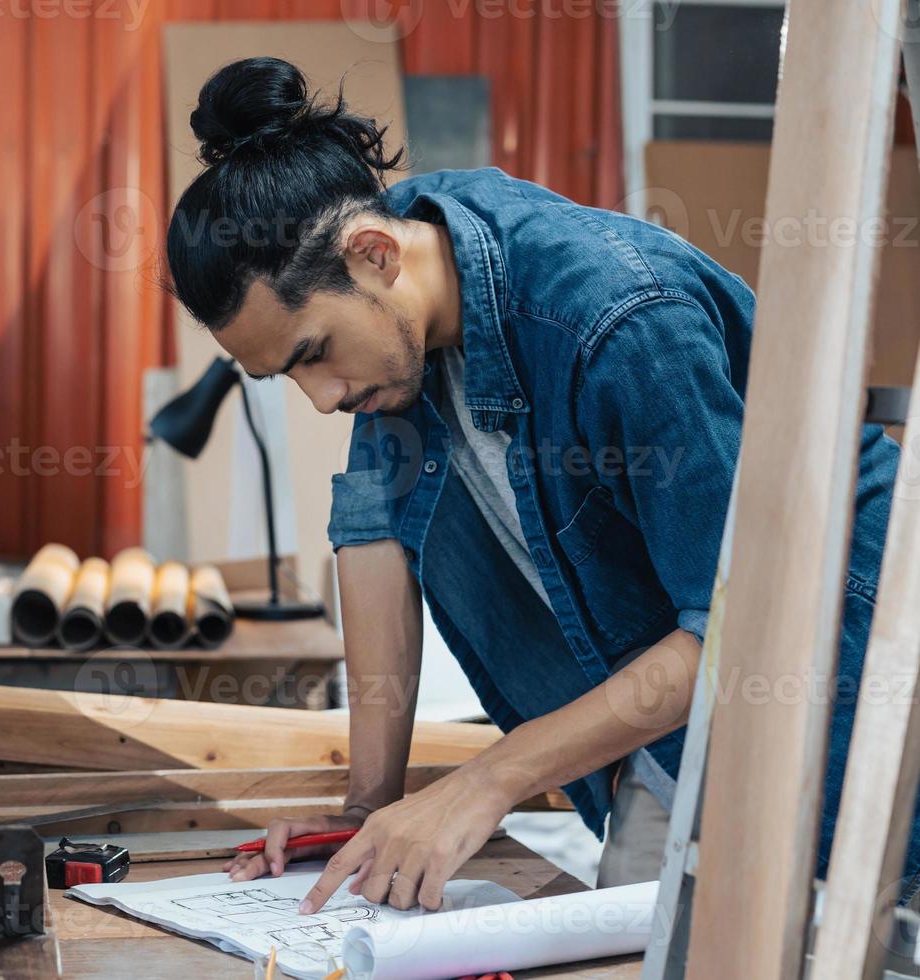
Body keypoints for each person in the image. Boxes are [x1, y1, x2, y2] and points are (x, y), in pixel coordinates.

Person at [164, 57, 914, 913]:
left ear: (373, 257)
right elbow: (375, 527)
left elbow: (744, 628)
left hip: (845, 697)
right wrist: (369, 812)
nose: (325, 400)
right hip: (667, 724)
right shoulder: (397, 263)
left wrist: (484, 783)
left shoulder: (622, 319)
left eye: (313, 356)